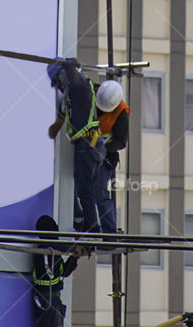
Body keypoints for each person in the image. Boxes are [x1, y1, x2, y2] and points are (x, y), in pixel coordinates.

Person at [47, 59, 106, 233]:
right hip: (90, 144)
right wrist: (57, 125)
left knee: (85, 191)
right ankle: (87, 223)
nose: (59, 87)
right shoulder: (72, 94)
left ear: (63, 76)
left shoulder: (79, 85)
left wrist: (67, 62)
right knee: (86, 190)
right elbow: (64, 112)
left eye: (58, 82)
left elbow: (70, 67)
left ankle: (92, 228)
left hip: (88, 145)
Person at [31, 214, 84, 327]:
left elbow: (64, 272)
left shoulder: (53, 252)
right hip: (45, 300)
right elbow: (51, 244)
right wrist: (74, 248)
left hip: (54, 300)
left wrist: (74, 257)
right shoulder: (43, 249)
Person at [95, 79, 128, 234]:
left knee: (100, 191)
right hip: (84, 149)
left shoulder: (121, 114)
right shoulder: (95, 92)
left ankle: (109, 233)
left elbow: (121, 142)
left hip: (105, 156)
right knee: (78, 188)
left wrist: (102, 148)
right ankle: (82, 221)